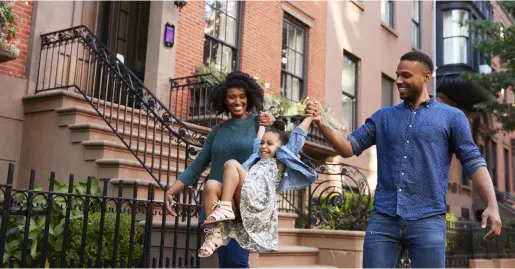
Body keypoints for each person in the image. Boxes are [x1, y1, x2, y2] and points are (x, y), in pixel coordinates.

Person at [305, 51, 502, 268]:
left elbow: (473, 160)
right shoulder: (383, 117)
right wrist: (322, 123)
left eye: (406, 75)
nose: (399, 81)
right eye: (397, 75)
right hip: (384, 218)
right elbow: (348, 148)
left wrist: (491, 204)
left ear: (426, 77)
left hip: (428, 219)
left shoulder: (452, 117)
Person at [164, 71, 275, 268]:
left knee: (237, 260)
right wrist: (171, 192)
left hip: (245, 203)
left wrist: (273, 125)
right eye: (232, 96)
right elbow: (197, 167)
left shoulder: (259, 123)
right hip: (217, 204)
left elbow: (276, 148)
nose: (237, 101)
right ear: (224, 100)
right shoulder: (218, 131)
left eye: (242, 96)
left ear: (249, 98)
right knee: (224, 261)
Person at [197, 116, 317, 256]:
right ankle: (214, 235)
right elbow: (257, 141)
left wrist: (309, 117)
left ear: (282, 148)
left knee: (231, 164)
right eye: (263, 143)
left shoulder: (280, 162)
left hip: (259, 203)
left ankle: (224, 206)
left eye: (269, 144)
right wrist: (262, 124)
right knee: (211, 185)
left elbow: (297, 137)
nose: (264, 146)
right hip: (243, 199)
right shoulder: (256, 157)